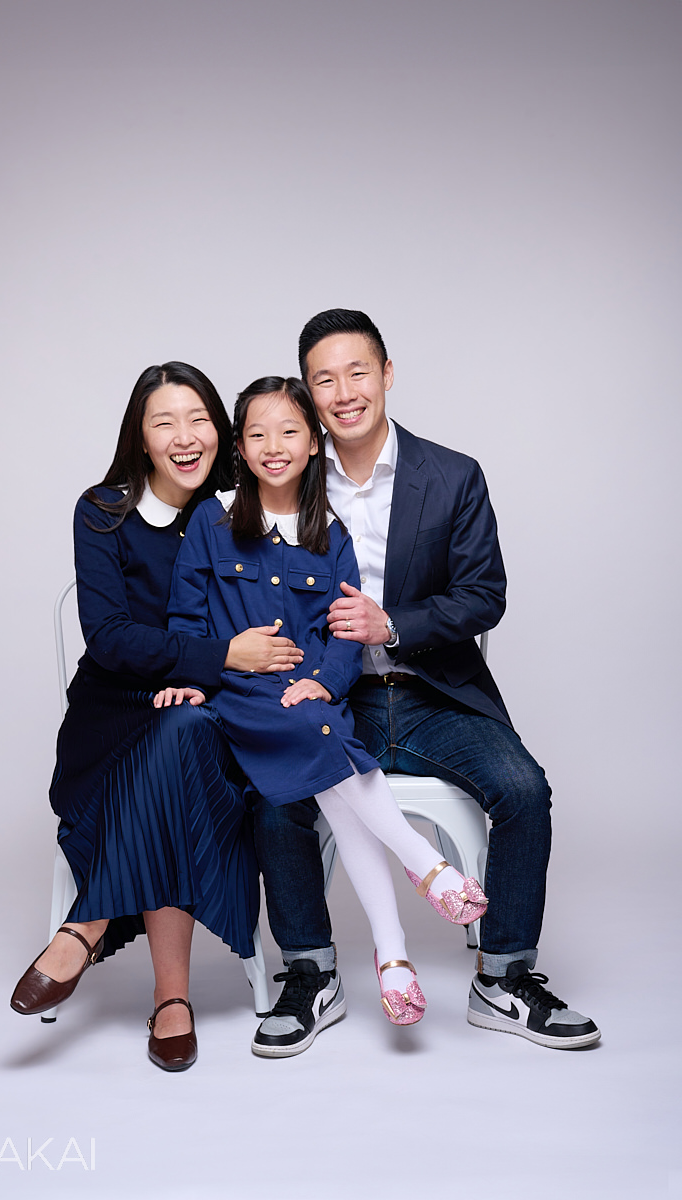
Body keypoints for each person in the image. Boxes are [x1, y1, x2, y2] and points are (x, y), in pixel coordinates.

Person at [250, 309, 601, 1054]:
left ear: (387, 374)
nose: (344, 392)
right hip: (335, 699)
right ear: (308, 395)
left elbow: (485, 595)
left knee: (523, 790)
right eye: (324, 379)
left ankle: (503, 977)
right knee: (275, 795)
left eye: (358, 372)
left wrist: (393, 624)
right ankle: (311, 973)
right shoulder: (290, 476)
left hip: (436, 691)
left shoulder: (452, 475)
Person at [154, 375, 489, 1056]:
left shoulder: (329, 535)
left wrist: (328, 685)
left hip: (310, 707)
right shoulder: (210, 528)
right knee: (325, 739)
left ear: (314, 444)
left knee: (323, 742)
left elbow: (344, 637)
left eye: (289, 432)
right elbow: (185, 626)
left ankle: (394, 956)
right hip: (237, 703)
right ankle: (422, 870)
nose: (273, 447)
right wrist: (198, 676)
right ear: (240, 450)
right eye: (256, 434)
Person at [10, 362, 303, 1072]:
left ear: (222, 433)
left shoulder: (244, 512)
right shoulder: (102, 511)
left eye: (198, 418)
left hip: (215, 716)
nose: (184, 436)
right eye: (163, 422)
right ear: (139, 439)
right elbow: (110, 638)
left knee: (185, 738)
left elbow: (277, 622)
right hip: (113, 721)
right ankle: (171, 999)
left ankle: (85, 926)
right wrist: (219, 655)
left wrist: (214, 674)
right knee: (175, 752)